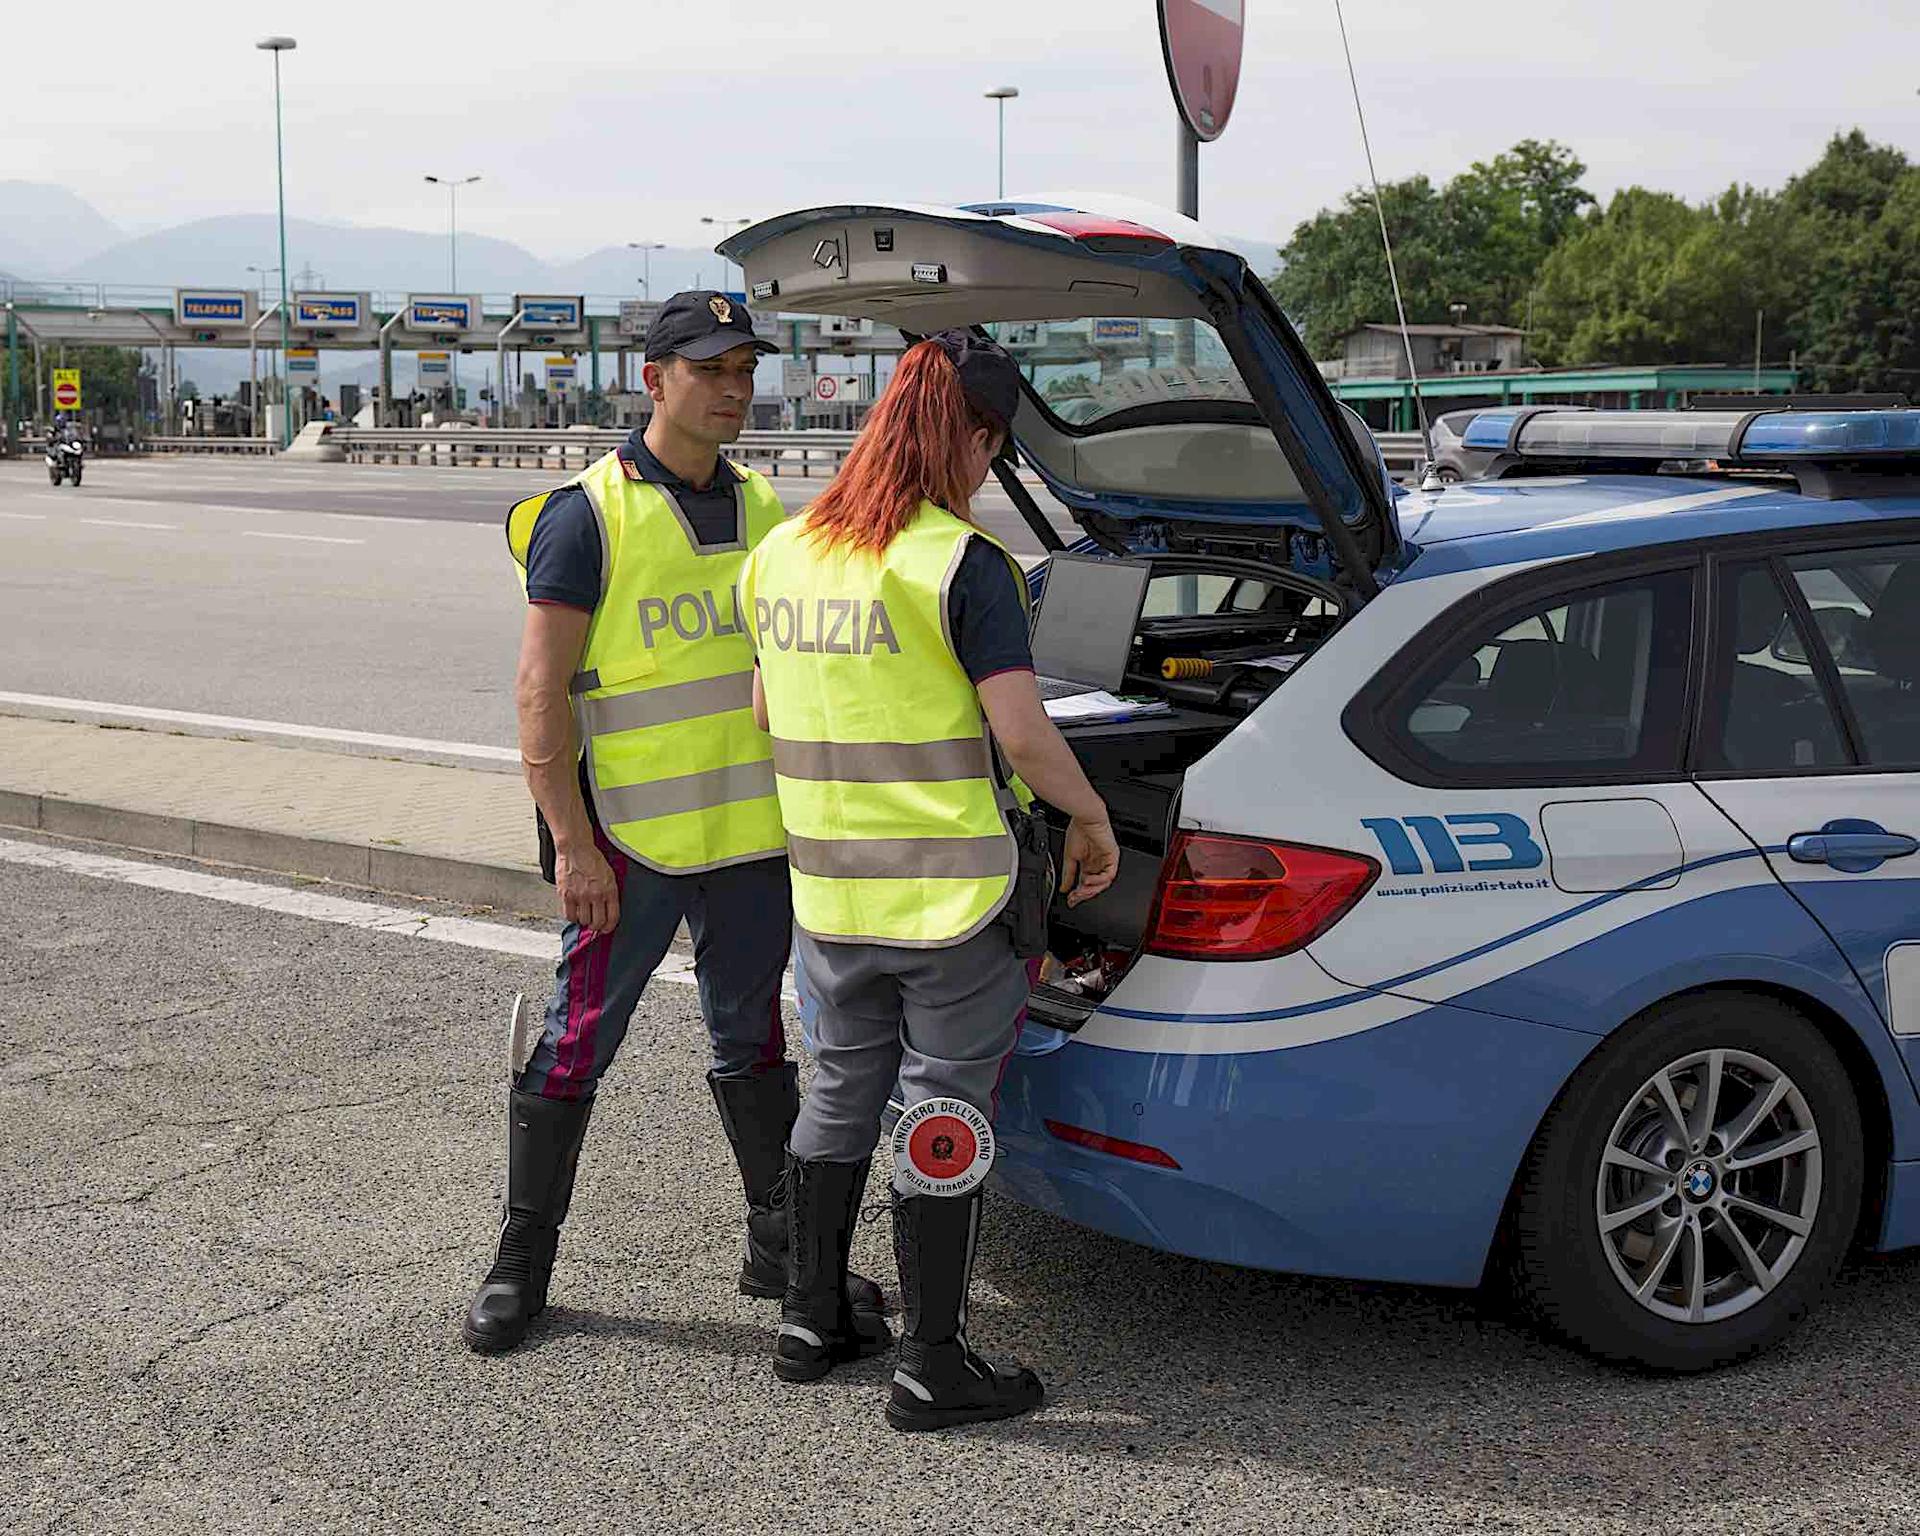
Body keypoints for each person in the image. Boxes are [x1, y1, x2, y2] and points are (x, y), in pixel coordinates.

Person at [463, 291, 886, 1354]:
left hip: (749, 846)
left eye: (746, 369)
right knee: (572, 1050)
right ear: (654, 381)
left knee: (754, 1041)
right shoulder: (585, 514)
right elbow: (538, 692)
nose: (735, 389)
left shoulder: (769, 515)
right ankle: (522, 1264)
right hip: (630, 849)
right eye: (711, 370)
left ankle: (777, 1245)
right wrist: (569, 841)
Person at [741, 331, 1120, 1429]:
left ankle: (812, 1318)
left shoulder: (786, 553)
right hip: (950, 899)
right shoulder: (963, 562)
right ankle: (933, 1361)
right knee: (941, 1106)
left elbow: (771, 710)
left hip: (830, 891)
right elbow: (1024, 736)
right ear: (983, 437)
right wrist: (1088, 816)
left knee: (840, 1090)